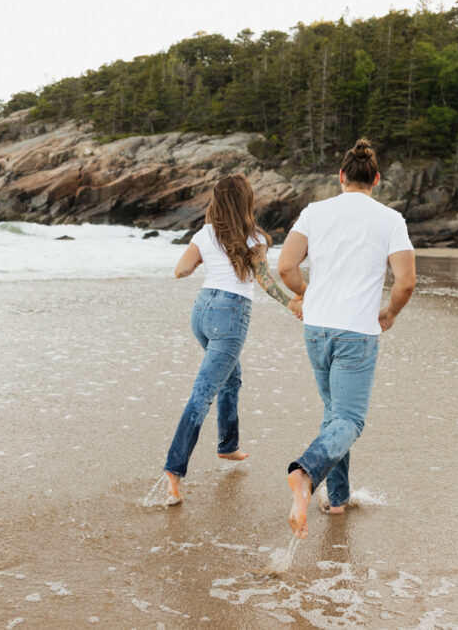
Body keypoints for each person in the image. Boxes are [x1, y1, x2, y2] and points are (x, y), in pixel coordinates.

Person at [276, 138, 416, 538]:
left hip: (316, 329)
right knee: (350, 419)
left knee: (334, 415)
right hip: (356, 331)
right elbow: (406, 282)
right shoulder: (390, 219)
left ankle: (337, 501)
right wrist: (390, 312)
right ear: (376, 178)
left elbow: (286, 266)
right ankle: (305, 472)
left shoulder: (314, 212)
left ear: (341, 177)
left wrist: (305, 295)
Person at [163, 174, 299, 504]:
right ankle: (173, 472)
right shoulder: (254, 238)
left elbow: (180, 270)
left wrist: (204, 260)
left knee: (231, 377)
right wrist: (291, 302)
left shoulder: (205, 233)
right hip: (231, 315)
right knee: (202, 395)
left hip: (202, 311)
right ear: (246, 202)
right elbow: (265, 281)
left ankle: (228, 446)